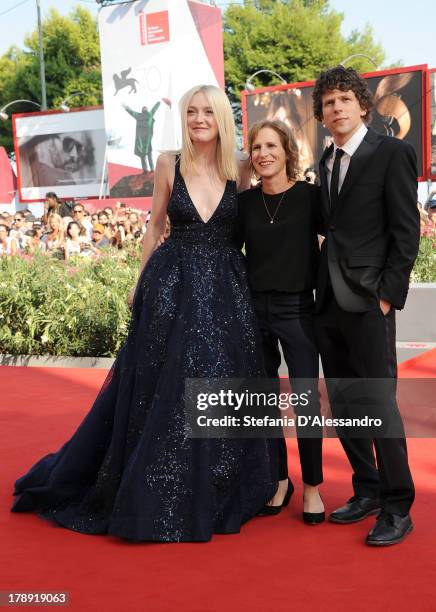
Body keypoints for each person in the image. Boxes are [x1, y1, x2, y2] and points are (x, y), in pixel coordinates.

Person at [12, 84, 277, 542]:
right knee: (165, 386)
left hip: (227, 290)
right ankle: (158, 482)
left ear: (220, 118)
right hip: (173, 285)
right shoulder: (169, 162)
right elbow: (155, 227)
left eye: (206, 112)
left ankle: (216, 483)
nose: (198, 119)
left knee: (220, 380)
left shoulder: (240, 168)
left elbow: (260, 226)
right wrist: (139, 281)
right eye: (191, 111)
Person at [312, 66, 420, 546]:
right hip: (328, 301)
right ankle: (367, 488)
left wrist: (385, 296)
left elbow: (406, 232)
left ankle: (398, 506)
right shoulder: (327, 158)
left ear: (362, 104)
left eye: (342, 100)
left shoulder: (392, 152)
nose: (335, 108)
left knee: (378, 404)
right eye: (328, 103)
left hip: (368, 301)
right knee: (345, 402)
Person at [236, 119, 324, 524]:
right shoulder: (246, 203)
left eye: (271, 146)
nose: (263, 154)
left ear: (287, 151)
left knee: (305, 400)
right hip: (254, 312)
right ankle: (278, 479)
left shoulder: (310, 197)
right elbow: (226, 253)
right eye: (256, 148)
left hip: (298, 311)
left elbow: (340, 241)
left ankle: (312, 487)